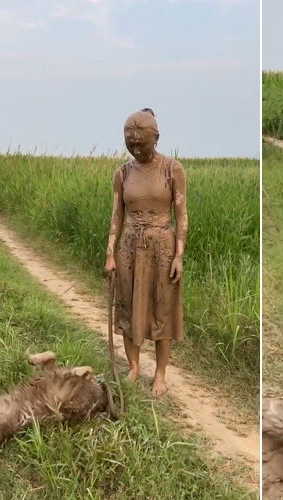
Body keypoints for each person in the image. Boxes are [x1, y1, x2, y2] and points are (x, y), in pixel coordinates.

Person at [105, 108, 188, 395]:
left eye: (142, 143)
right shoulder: (122, 172)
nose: (136, 149)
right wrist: (110, 254)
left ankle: (161, 374)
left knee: (161, 309)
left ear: (156, 139)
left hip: (162, 247)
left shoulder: (172, 168)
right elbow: (117, 216)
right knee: (129, 307)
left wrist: (179, 255)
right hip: (129, 246)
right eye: (131, 144)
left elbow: (182, 214)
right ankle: (134, 367)